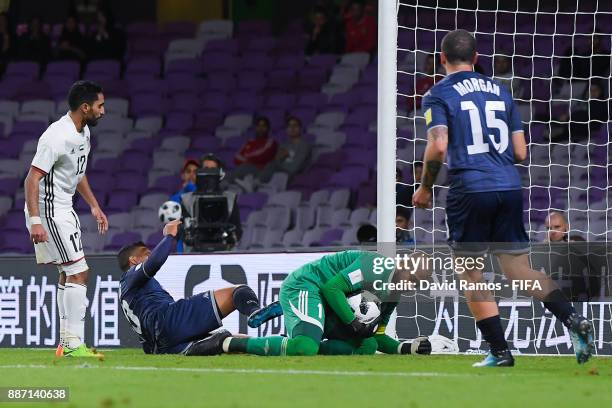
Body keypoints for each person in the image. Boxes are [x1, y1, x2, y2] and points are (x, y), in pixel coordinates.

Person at [412, 29, 595, 367]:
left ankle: (500, 352)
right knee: (519, 270)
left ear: (442, 59)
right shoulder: (501, 91)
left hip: (470, 188)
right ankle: (573, 321)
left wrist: (425, 187)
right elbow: (521, 152)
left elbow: (438, 145)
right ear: (476, 58)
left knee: (469, 272)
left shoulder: (438, 93)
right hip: (508, 186)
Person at [24, 80, 108, 358]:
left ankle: (65, 343)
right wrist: (36, 220)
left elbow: (77, 173)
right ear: (85, 107)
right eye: (99, 106)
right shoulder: (55, 136)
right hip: (49, 210)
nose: (103, 111)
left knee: (67, 272)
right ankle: (74, 344)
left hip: (63, 207)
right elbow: (32, 178)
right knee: (79, 272)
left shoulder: (82, 133)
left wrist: (94, 206)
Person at [220, 250, 431, 356]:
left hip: (331, 301)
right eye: (412, 280)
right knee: (304, 347)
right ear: (403, 264)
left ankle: (305, 333)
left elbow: (377, 335)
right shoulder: (378, 266)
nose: (411, 287)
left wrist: (408, 348)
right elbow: (332, 288)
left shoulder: (394, 294)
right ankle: (227, 342)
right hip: (308, 285)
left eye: (417, 285)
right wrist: (353, 323)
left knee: (367, 345)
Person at [117, 220, 282, 355]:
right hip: (168, 321)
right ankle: (254, 312)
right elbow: (155, 262)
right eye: (146, 252)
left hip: (162, 346)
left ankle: (279, 345)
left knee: (229, 342)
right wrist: (169, 236)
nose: (150, 254)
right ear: (133, 260)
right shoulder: (131, 275)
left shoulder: (127, 290)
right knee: (238, 292)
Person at [257, 117, 311, 184]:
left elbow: (295, 167)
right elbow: (277, 160)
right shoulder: (284, 144)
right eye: (289, 126)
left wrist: (282, 158)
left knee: (272, 166)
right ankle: (256, 183)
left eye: (295, 125)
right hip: (279, 171)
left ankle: (256, 183)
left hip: (293, 175)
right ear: (286, 129)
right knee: (268, 165)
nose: (292, 128)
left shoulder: (304, 145)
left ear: (300, 128)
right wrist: (280, 158)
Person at [229, 116, 278, 187]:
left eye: (263, 126)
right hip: (246, 169)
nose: (260, 128)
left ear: (268, 129)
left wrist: (247, 157)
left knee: (242, 168)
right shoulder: (249, 142)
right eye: (258, 125)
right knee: (227, 172)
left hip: (260, 170)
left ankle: (223, 185)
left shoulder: (271, 142)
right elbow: (236, 158)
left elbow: (263, 156)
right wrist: (250, 160)